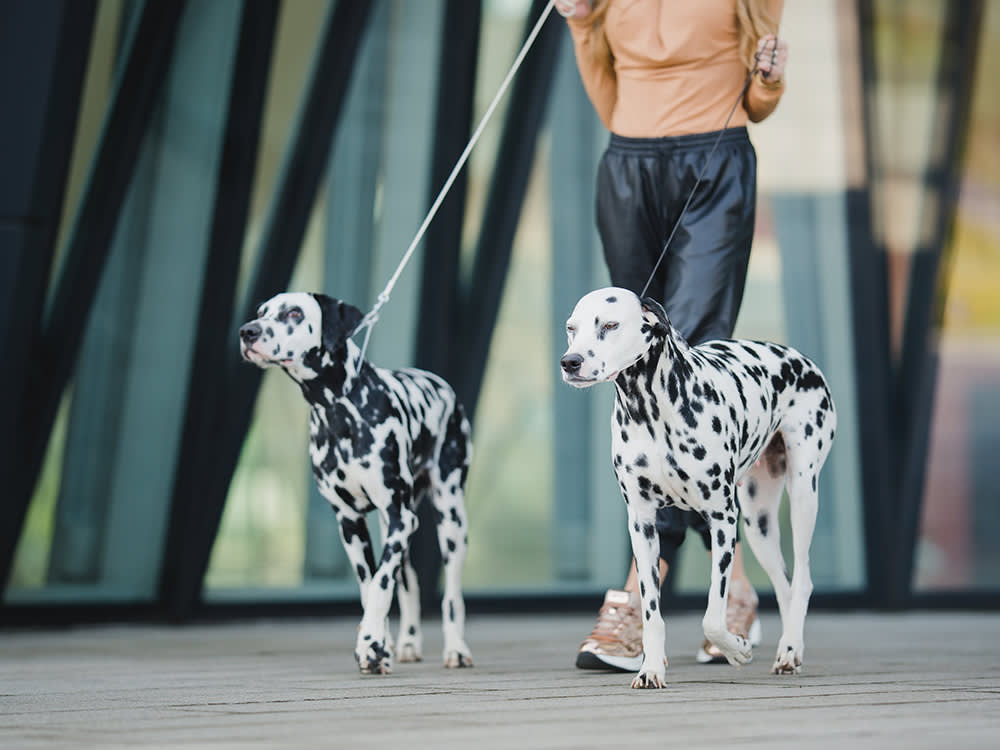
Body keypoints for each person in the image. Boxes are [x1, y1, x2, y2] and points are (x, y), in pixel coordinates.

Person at [553, 0, 789, 670]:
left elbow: (759, 99)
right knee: (633, 364)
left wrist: (768, 78)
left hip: (713, 163)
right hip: (627, 168)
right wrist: (576, 18)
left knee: (689, 359)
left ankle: (636, 597)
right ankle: (735, 583)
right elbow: (607, 95)